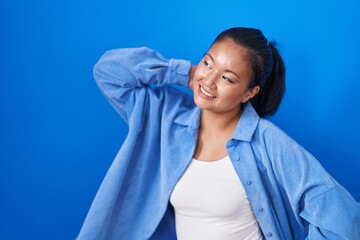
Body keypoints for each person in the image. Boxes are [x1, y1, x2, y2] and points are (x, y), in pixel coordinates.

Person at [77, 27, 360, 239]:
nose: (210, 81)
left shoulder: (268, 142)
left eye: (227, 78)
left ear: (250, 92)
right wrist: (188, 74)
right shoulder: (166, 120)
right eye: (208, 62)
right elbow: (109, 72)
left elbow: (344, 219)